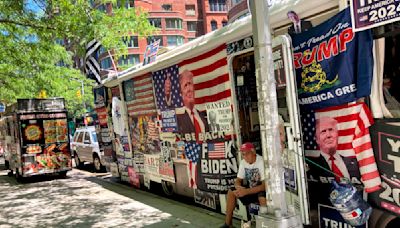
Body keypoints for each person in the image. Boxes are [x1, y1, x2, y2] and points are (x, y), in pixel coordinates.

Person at [220, 142, 266, 228]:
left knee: (262, 197)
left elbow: (264, 186)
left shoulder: (261, 161)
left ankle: (264, 225)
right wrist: (238, 188)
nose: (245, 157)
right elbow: (238, 180)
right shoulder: (243, 162)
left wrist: (246, 191)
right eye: (243, 154)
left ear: (253, 152)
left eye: (247, 154)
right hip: (250, 190)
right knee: (231, 191)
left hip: (261, 191)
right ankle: (228, 224)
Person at [307, 117, 360, 182]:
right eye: (323, 131)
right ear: (317, 139)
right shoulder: (311, 165)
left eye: (331, 130)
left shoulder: (354, 162)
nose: (328, 135)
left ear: (337, 134)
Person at [176, 70, 209, 137]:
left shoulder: (202, 115)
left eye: (190, 84)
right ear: (181, 93)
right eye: (185, 85)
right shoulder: (178, 118)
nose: (189, 89)